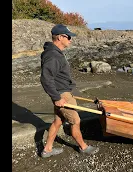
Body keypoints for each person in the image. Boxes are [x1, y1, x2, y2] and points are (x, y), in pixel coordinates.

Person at [40, 24, 99, 158]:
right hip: (62, 95)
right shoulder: (53, 55)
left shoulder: (55, 53)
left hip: (62, 92)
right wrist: (56, 97)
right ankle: (83, 147)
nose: (71, 39)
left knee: (58, 121)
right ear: (60, 37)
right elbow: (45, 78)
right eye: (69, 37)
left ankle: (47, 149)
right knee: (75, 121)